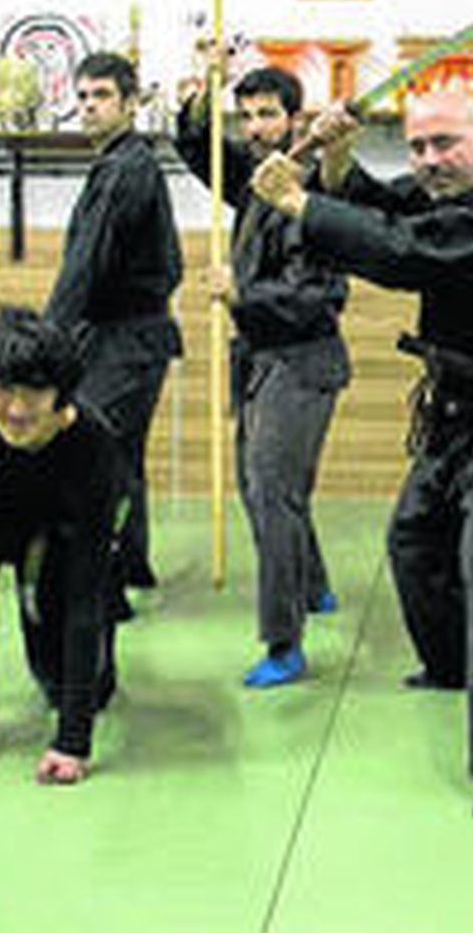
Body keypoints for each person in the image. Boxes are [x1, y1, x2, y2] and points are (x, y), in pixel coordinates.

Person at [251, 85, 473, 821]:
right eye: (419, 146)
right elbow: (383, 207)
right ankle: (452, 666)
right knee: (414, 541)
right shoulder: (446, 190)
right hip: (459, 411)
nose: (429, 161)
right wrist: (336, 155)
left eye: (445, 144)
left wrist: (300, 205)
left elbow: (405, 252)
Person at [175, 66, 350, 687]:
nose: (254, 128)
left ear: (294, 120)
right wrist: (199, 98)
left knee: (270, 492)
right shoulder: (254, 183)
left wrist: (241, 290)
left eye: (267, 115)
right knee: (271, 489)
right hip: (262, 358)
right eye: (246, 115)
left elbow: (321, 295)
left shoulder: (312, 194)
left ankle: (284, 644)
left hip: (302, 361)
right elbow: (200, 151)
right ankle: (316, 586)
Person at [0, 307, 130, 784]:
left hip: (71, 519)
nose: (15, 410)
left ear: (60, 396)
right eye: (2, 391)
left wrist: (72, 741)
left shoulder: (95, 447)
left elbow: (85, 595)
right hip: (6, 501)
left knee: (69, 679)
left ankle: (97, 665)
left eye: (33, 393)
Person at [44, 52, 182, 589]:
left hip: (124, 336)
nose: (89, 107)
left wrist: (48, 341)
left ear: (130, 104)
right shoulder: (125, 163)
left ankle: (100, 573)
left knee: (95, 455)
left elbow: (86, 264)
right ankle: (130, 565)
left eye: (100, 96)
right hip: (126, 334)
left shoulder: (126, 168)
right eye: (81, 97)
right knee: (121, 454)